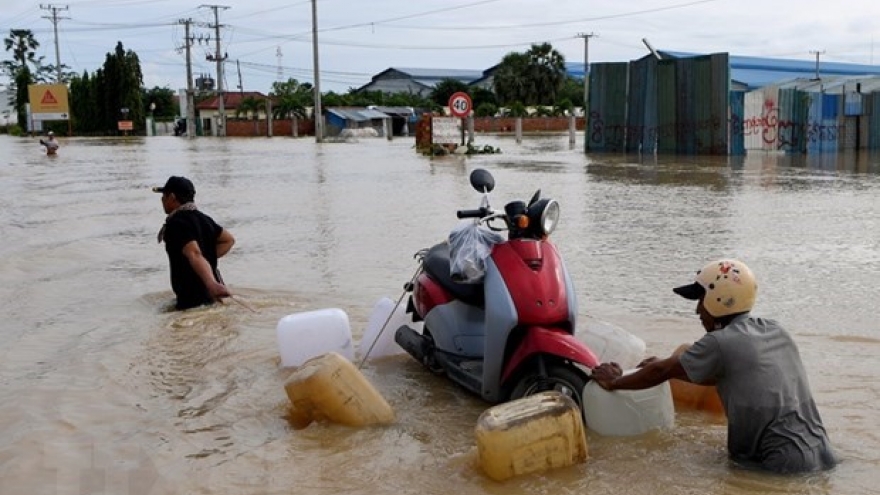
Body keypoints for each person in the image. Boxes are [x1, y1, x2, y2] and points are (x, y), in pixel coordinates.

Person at [591, 259, 837, 474]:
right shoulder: (775, 330)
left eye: (700, 300)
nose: (698, 310)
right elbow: (734, 376)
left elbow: (661, 373)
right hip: (823, 453)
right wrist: (666, 364)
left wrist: (615, 381)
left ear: (718, 300)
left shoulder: (720, 342)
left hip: (780, 462)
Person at [153, 175, 235, 310]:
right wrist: (207, 260)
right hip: (212, 298)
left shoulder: (176, 224)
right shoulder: (204, 219)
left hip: (191, 300)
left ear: (172, 197)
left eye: (164, 196)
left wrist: (211, 283)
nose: (162, 200)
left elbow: (194, 253)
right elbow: (228, 240)